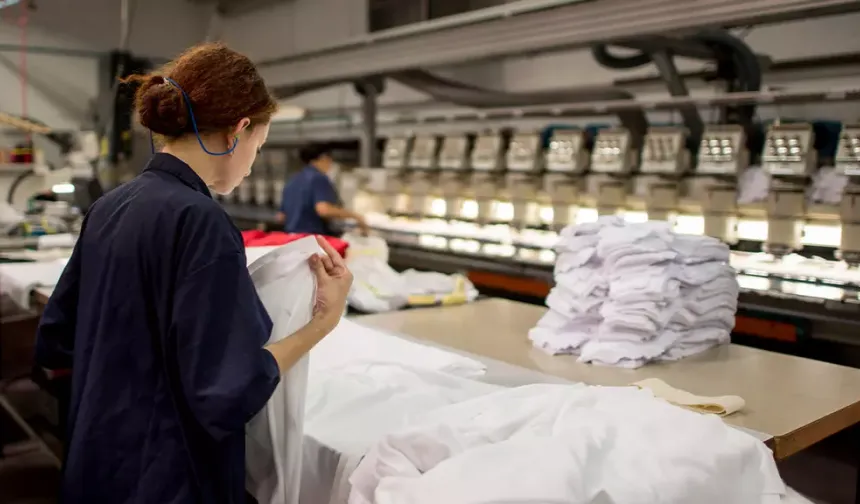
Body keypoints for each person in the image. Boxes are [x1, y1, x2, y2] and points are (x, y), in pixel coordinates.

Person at [34, 43, 353, 504]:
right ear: (238, 131)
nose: (250, 166)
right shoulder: (201, 221)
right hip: (166, 480)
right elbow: (227, 392)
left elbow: (57, 338)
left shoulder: (110, 206)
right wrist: (322, 320)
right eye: (257, 147)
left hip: (96, 464)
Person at [276, 143, 370, 236]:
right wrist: (356, 216)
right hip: (310, 240)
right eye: (330, 160)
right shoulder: (318, 178)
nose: (330, 164)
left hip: (290, 238)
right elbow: (323, 210)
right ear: (324, 158)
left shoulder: (293, 180)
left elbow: (281, 217)